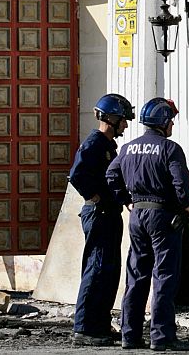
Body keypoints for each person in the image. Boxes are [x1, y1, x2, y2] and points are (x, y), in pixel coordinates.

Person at [106, 97, 189, 351]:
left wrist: (126, 200)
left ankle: (130, 335)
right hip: (163, 216)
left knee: (136, 274)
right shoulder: (170, 149)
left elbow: (111, 175)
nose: (173, 126)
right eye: (171, 121)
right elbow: (181, 185)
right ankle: (162, 336)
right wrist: (185, 205)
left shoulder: (127, 148)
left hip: (137, 215)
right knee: (164, 275)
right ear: (164, 122)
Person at [69, 93, 134, 347]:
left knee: (108, 270)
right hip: (99, 213)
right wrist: (94, 197)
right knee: (96, 269)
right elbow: (77, 175)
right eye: (123, 120)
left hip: (110, 213)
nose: (125, 125)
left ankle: (99, 324)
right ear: (111, 118)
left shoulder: (107, 145)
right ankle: (84, 328)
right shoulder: (94, 143)